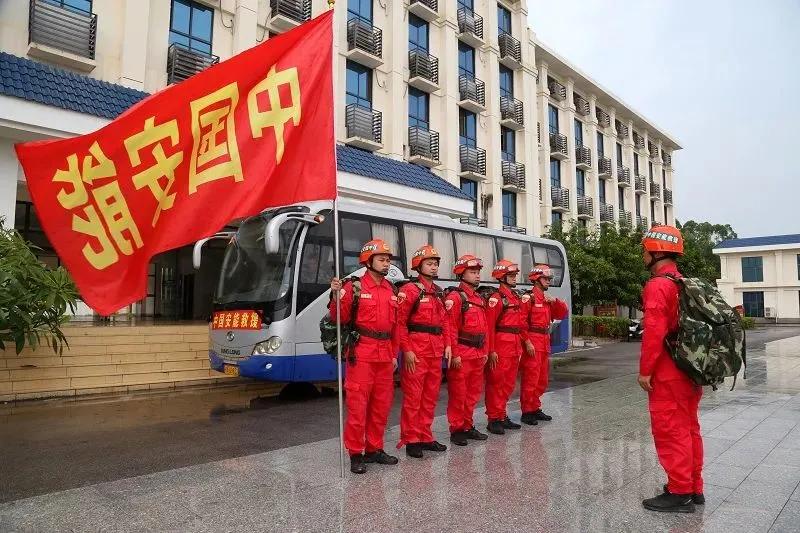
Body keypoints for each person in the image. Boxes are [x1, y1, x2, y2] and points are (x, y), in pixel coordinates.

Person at [638, 225, 704, 513]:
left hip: (668, 371)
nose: (642, 254)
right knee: (689, 428)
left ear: (657, 251)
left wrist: (645, 371)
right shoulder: (683, 282)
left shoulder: (658, 286)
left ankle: (679, 493)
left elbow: (654, 332)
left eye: (645, 249)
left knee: (670, 430)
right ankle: (693, 486)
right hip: (690, 368)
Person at [329, 239, 400, 474]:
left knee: (381, 406)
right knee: (358, 407)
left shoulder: (391, 289)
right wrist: (335, 295)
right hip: (362, 354)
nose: (386, 263)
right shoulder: (354, 287)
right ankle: (355, 453)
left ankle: (374, 449)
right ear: (368, 262)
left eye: (388, 259)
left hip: (384, 354)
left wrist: (394, 354)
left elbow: (396, 326)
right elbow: (337, 317)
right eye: (381, 259)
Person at [396, 245, 452, 458]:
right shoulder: (409, 291)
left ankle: (425, 436)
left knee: (430, 397)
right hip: (416, 353)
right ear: (418, 266)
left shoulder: (438, 292)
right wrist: (407, 350)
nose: (434, 267)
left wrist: (448, 344)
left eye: (436, 263)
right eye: (429, 263)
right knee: (413, 398)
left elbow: (445, 321)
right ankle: (411, 439)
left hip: (435, 352)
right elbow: (400, 323)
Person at [445, 255, 490, 446]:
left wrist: (486, 351)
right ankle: (457, 429)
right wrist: (454, 353)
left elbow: (485, 328)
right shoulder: (456, 298)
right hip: (462, 354)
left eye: (478, 272)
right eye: (473, 272)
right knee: (459, 394)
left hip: (478, 354)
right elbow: (450, 327)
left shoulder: (479, 298)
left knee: (472, 394)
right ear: (461, 274)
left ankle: (467, 425)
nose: (477, 275)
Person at [484, 260, 529, 435]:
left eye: (514, 275)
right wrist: (492, 350)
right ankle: (494, 419)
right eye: (510, 275)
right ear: (501, 277)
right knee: (496, 383)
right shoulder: (496, 299)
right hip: (501, 346)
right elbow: (489, 326)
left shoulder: (514, 297)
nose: (514, 278)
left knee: (508, 384)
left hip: (514, 345)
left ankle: (502, 415)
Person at [520, 264, 568, 425]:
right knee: (531, 379)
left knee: (541, 379)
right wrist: (527, 342)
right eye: (545, 279)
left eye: (549, 278)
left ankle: (535, 407)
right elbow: (521, 323)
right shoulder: (529, 298)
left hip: (544, 342)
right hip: (533, 341)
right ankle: (527, 411)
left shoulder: (547, 300)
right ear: (536, 279)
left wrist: (555, 300)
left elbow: (562, 313)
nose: (548, 281)